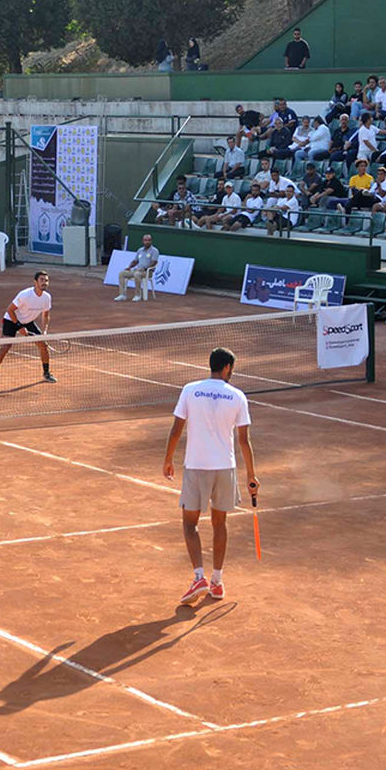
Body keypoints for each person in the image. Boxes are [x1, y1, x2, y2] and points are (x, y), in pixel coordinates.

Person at [163, 347, 259, 604]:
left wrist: (168, 459)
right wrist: (251, 475)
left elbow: (176, 429)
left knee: (189, 524)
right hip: (225, 468)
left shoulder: (190, 390)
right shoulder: (238, 396)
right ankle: (216, 581)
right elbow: (244, 440)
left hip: (196, 466)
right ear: (227, 367)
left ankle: (199, 577)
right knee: (220, 523)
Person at [0, 271, 55, 386]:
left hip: (28, 321)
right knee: (6, 346)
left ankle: (46, 373)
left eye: (46, 280)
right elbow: (10, 309)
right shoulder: (25, 295)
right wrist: (19, 327)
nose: (44, 283)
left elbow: (46, 315)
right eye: (42, 280)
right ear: (35, 282)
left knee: (42, 345)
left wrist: (44, 332)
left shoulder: (47, 297)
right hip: (11, 320)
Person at [115, 233, 160, 300]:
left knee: (137, 274)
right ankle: (122, 295)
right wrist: (129, 267)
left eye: (149, 240)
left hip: (147, 272)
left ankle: (138, 295)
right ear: (143, 241)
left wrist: (145, 268)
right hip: (137, 270)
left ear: (151, 241)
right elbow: (135, 261)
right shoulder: (140, 250)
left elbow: (154, 262)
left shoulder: (154, 251)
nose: (147, 242)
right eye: (145, 240)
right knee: (122, 273)